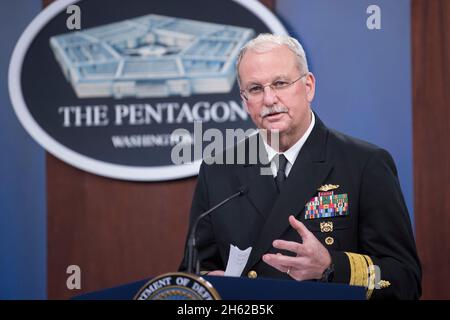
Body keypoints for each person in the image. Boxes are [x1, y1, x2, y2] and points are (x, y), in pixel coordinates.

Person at [179, 33, 421, 299]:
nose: (269, 99)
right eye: (256, 89)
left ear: (308, 86)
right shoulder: (219, 169)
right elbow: (196, 273)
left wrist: (331, 266)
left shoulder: (364, 164)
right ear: (245, 101)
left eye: (280, 83)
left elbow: (404, 279)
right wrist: (212, 289)